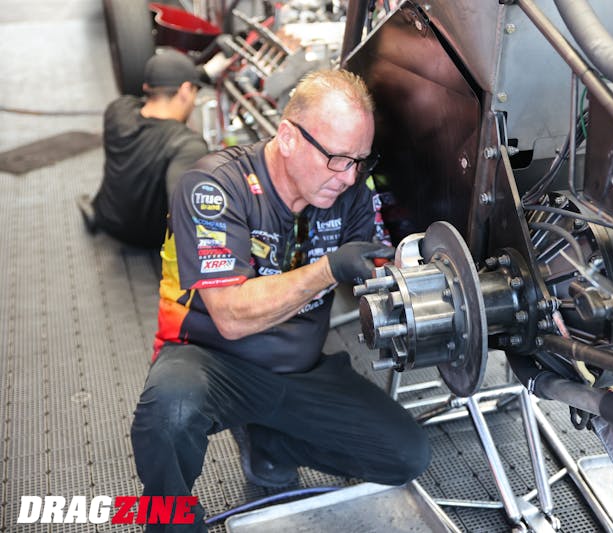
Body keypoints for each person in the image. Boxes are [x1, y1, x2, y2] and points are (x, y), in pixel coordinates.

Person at [130, 69, 431, 531]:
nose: (349, 176)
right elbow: (231, 316)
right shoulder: (212, 187)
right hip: (210, 363)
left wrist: (412, 276)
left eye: (359, 161)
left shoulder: (350, 193)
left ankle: (270, 442)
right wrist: (329, 269)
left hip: (300, 371)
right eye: (337, 159)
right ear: (288, 137)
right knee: (167, 414)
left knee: (406, 455)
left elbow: (376, 270)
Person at [77, 48, 208, 248]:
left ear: (147, 86)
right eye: (194, 92)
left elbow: (135, 100)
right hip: (151, 239)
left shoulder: (117, 111)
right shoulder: (186, 145)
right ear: (184, 90)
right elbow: (185, 214)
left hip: (107, 220)